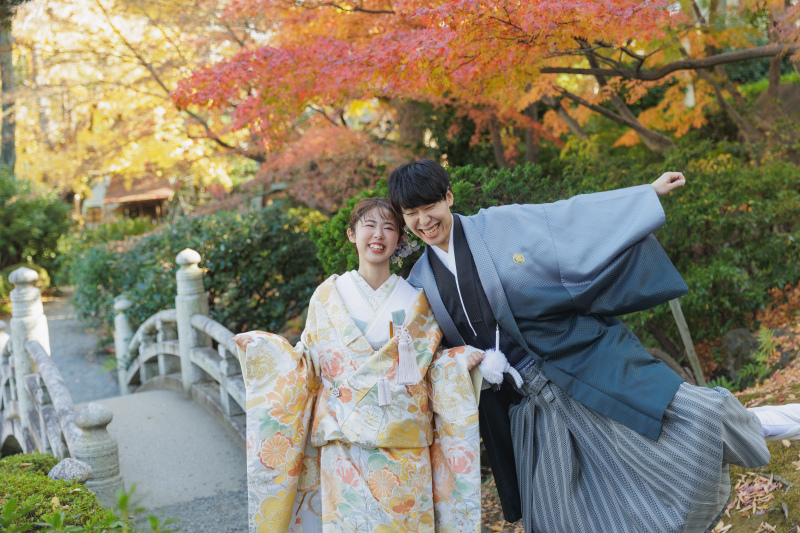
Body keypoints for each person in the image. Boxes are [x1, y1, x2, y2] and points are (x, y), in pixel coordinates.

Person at [388, 159, 800, 533]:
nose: (424, 220)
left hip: (573, 363)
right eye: (412, 214)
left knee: (684, 418)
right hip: (524, 406)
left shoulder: (498, 226)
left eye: (430, 207)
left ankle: (776, 422)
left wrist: (645, 194)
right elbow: (428, 353)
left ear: (449, 197)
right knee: (557, 511)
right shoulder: (421, 279)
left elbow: (567, 218)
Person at [233, 197, 484, 533]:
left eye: (389, 227)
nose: (378, 234)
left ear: (399, 240)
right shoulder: (327, 297)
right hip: (344, 442)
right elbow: (306, 365)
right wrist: (265, 349)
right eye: (369, 225)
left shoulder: (418, 300)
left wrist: (456, 362)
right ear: (352, 234)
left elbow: (431, 366)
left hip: (405, 446)